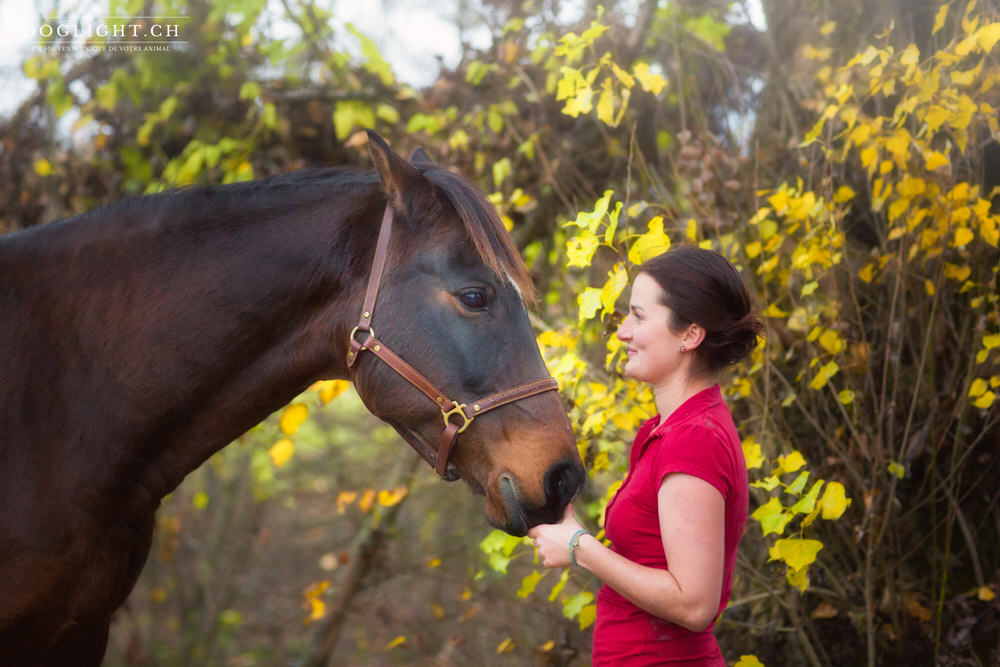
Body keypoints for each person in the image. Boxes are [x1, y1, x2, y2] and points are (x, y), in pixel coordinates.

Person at [529, 245, 763, 665]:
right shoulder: (671, 431)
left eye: (638, 316)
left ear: (690, 335)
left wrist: (580, 547)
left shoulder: (695, 440)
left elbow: (693, 605)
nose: (621, 331)